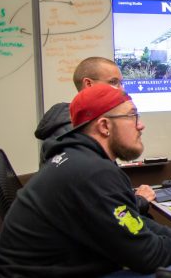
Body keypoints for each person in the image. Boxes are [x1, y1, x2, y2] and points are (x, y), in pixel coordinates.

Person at [0, 84, 171, 278]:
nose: (140, 124)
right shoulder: (92, 173)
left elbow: (134, 223)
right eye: (132, 116)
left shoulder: (80, 161)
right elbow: (146, 255)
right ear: (104, 126)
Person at [34, 56, 156, 210]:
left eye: (121, 83)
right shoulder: (73, 135)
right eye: (113, 82)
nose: (121, 89)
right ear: (88, 84)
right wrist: (139, 200)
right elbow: (105, 205)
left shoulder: (74, 128)